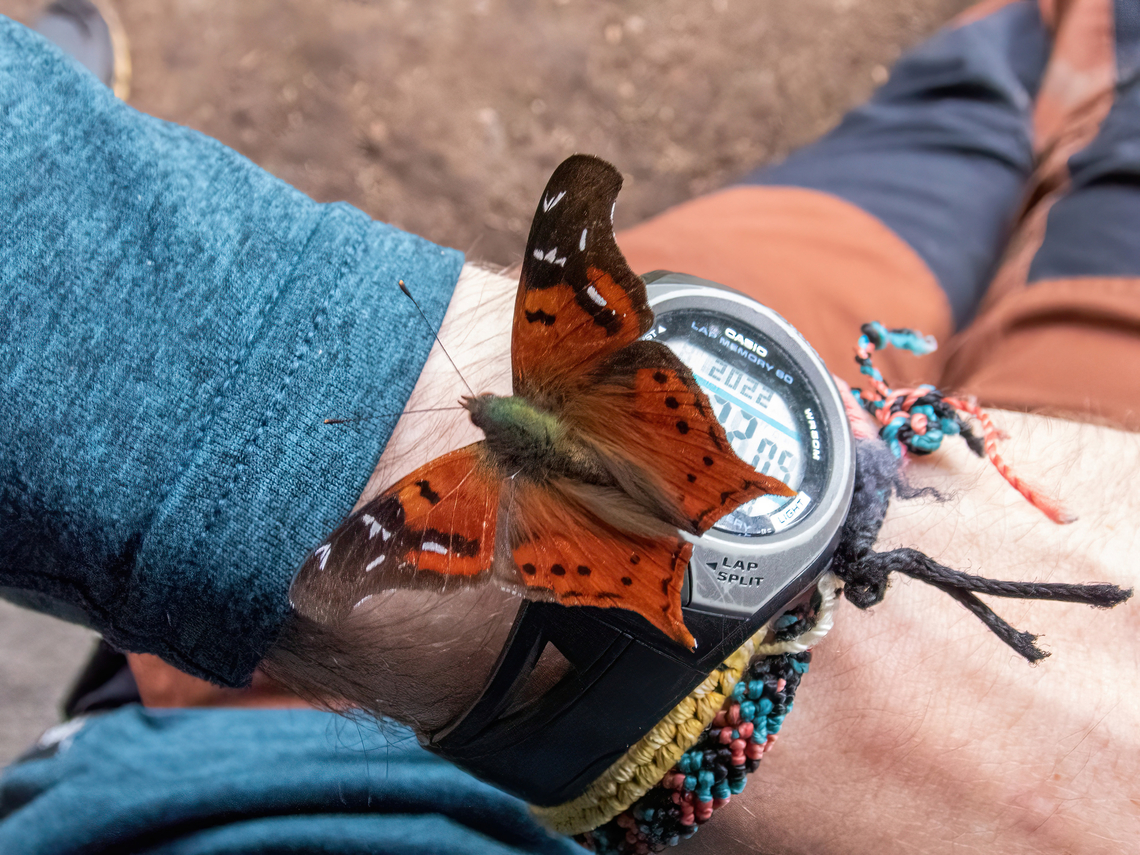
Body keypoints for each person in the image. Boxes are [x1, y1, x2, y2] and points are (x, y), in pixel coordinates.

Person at [1, 0, 1137, 852]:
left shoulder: (446, 495)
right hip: (641, 505)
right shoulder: (548, 349)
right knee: (1079, 214)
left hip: (217, 756)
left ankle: (1013, 67)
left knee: (924, 155)